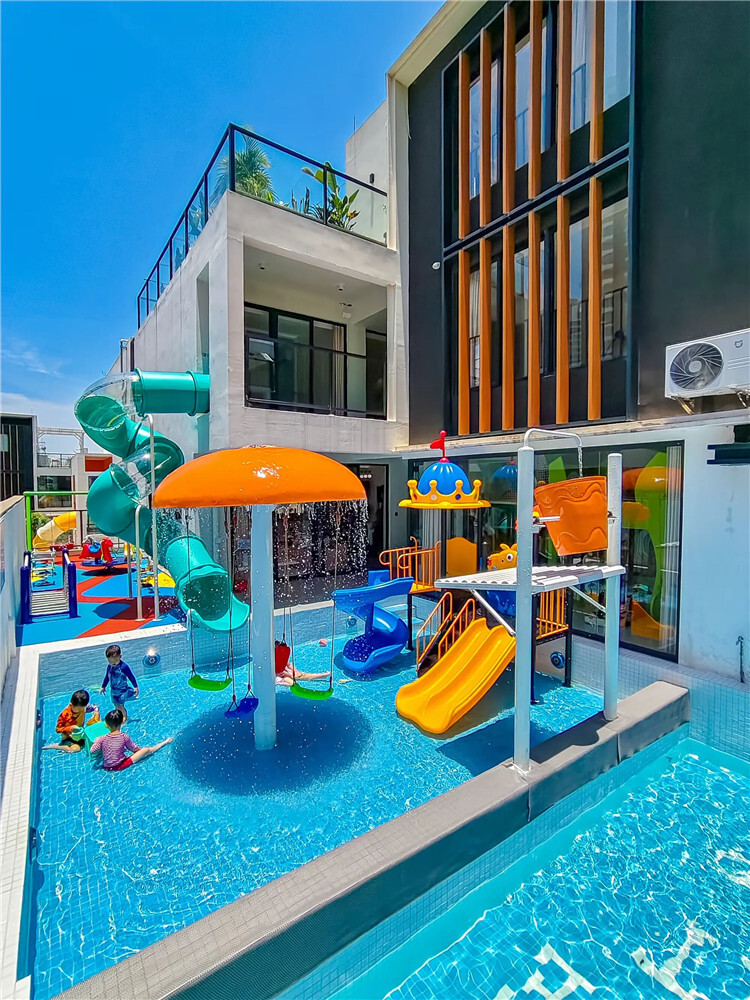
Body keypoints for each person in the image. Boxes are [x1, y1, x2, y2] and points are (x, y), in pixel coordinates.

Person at [90, 709, 172, 772]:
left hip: (106, 767)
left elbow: (92, 751)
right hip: (120, 766)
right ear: (122, 722)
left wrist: (97, 741)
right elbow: (134, 749)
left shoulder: (102, 738)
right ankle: (164, 743)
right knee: (146, 750)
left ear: (106, 725)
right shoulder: (124, 737)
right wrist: (141, 752)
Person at [43, 689, 100, 753]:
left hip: (79, 734)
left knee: (92, 742)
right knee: (75, 749)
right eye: (78, 709)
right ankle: (56, 746)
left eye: (82, 709)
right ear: (71, 704)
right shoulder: (65, 715)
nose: (80, 711)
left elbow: (95, 707)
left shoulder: (83, 708)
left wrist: (96, 713)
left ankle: (66, 748)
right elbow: (58, 729)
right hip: (68, 737)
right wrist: (70, 728)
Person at [100, 644, 139, 721]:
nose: (113, 663)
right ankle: (119, 717)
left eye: (115, 661)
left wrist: (135, 686)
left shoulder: (123, 667)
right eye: (110, 661)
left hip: (122, 691)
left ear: (120, 656)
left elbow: (131, 676)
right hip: (114, 691)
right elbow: (107, 677)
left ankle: (124, 719)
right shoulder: (109, 667)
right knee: (116, 705)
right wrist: (103, 686)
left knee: (120, 706)